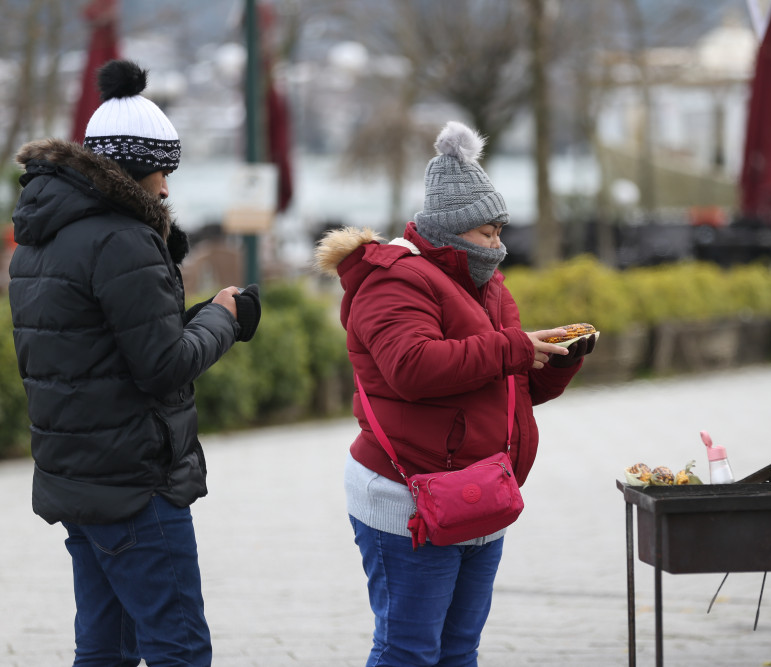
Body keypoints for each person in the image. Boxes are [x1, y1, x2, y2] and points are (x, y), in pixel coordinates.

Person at [314, 120, 596, 666]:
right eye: (488, 233)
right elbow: (412, 367)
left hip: (478, 490)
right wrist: (514, 347)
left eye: (500, 231)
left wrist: (560, 359)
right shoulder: (394, 279)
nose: (500, 246)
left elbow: (511, 383)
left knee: (458, 651)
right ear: (452, 229)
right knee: (409, 651)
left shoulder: (485, 285)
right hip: (407, 495)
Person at [7, 59, 261, 667]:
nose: (167, 188)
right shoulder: (121, 238)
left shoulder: (42, 236)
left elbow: (100, 344)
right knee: (178, 647)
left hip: (77, 475)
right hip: (134, 483)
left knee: (104, 649)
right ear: (129, 171)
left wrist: (194, 316)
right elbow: (161, 367)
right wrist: (223, 317)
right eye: (159, 171)